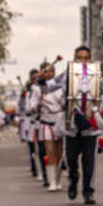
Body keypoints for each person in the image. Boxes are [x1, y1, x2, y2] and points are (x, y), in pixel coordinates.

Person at [42, 45, 103, 204]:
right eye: (79, 58)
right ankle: (73, 180)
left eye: (86, 58)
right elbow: (48, 87)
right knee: (70, 160)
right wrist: (42, 78)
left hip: (91, 128)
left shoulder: (97, 77)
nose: (83, 61)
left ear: (89, 60)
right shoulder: (66, 75)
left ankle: (88, 192)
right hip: (71, 127)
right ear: (75, 59)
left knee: (89, 161)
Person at [29, 63, 65, 191]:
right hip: (46, 123)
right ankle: (52, 182)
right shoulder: (37, 89)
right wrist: (38, 103)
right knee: (50, 152)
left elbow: (65, 103)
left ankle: (59, 178)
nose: (50, 73)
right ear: (42, 73)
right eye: (47, 71)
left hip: (59, 122)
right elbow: (31, 107)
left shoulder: (61, 87)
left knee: (60, 154)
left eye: (52, 71)